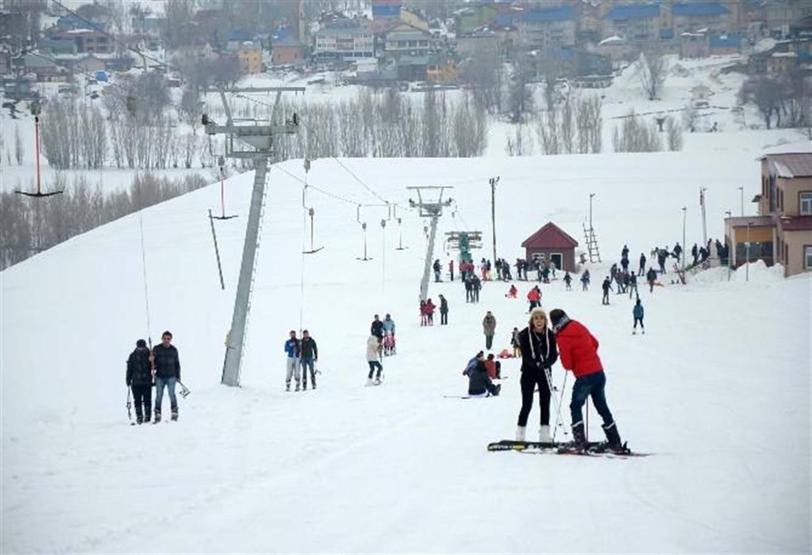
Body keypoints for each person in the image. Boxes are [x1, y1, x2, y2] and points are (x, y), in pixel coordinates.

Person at [549, 309, 623, 451]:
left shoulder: (562, 336)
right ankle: (615, 441)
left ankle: (579, 442)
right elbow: (595, 343)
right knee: (602, 407)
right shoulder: (578, 325)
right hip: (599, 372)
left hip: (584, 376)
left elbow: (567, 365)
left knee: (575, 406)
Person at [515, 308, 559, 443]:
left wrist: (548, 362)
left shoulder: (550, 335)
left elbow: (553, 354)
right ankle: (520, 435)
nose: (539, 321)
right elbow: (526, 355)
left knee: (545, 403)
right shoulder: (524, 335)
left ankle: (544, 435)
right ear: (532, 321)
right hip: (529, 371)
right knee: (527, 404)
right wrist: (536, 364)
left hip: (545, 372)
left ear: (545, 321)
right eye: (536, 318)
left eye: (541, 318)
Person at [152, 330, 181, 422]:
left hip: (171, 376)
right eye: (164, 338)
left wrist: (178, 376)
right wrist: (151, 361)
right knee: (159, 395)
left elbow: (177, 364)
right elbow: (153, 363)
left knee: (172, 394)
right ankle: (157, 412)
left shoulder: (174, 350)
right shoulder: (156, 348)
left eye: (168, 339)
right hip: (159, 376)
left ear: (170, 339)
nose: (166, 340)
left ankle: (174, 411)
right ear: (162, 338)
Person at [126, 339, 153, 424]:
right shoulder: (132, 355)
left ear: (145, 346)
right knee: (137, 400)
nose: (141, 349)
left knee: (147, 400)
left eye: (142, 347)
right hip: (136, 382)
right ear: (137, 347)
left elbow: (154, 366)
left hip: (147, 382)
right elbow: (129, 368)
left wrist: (152, 360)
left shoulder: (150, 355)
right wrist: (128, 379)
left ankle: (148, 417)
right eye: (139, 347)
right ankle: (139, 417)